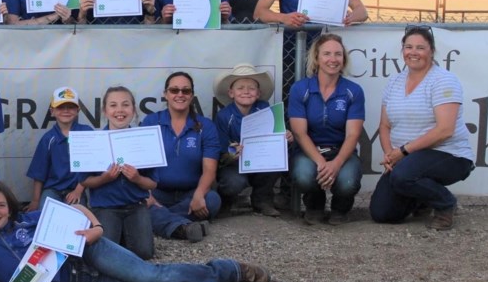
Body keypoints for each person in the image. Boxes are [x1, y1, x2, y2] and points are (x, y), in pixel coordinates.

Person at [0, 181, 289, 282]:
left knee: (153, 278)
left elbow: (74, 209)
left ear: (9, 207)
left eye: (0, 205)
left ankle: (230, 269)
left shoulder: (28, 220)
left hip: (90, 254)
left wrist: (96, 227)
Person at [370, 26, 475, 230]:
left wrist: (403, 151)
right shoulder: (394, 81)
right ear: (402, 51)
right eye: (408, 47)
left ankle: (446, 204)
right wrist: (389, 154)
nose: (413, 52)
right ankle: (421, 200)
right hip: (406, 158)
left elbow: (445, 130)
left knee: (403, 175)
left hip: (448, 154)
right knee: (382, 213)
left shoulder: (443, 80)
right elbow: (384, 125)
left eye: (420, 47)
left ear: (431, 51)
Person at [288, 33, 365, 226]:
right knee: (304, 175)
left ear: (344, 58)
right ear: (317, 58)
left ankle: (341, 208)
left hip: (341, 151)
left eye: (338, 54)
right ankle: (314, 206)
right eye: (327, 54)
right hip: (309, 151)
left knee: (347, 182)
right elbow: (299, 133)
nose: (333, 59)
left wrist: (336, 163)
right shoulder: (300, 89)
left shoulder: (353, 91)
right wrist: (322, 163)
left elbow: (353, 134)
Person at [142, 72, 221, 242]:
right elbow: (140, 165)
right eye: (174, 90)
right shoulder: (151, 122)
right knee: (139, 203)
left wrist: (199, 195)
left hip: (190, 194)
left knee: (212, 199)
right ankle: (183, 227)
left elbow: (209, 169)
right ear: (166, 94)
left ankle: (163, 219)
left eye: (185, 91)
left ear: (192, 95)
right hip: (157, 191)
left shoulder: (205, 125)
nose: (180, 95)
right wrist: (147, 194)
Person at [79, 86, 156, 260]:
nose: (119, 110)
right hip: (106, 207)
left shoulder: (143, 141)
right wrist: (105, 178)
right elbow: (84, 181)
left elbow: (153, 183)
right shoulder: (94, 141)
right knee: (106, 255)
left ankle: (124, 233)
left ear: (133, 110)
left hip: (136, 206)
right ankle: (119, 234)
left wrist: (137, 178)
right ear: (105, 111)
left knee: (144, 253)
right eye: (113, 105)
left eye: (125, 105)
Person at [213, 64, 288, 217]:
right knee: (233, 182)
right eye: (240, 88)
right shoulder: (224, 116)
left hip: (260, 160)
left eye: (251, 88)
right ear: (231, 93)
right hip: (234, 164)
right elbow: (220, 150)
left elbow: (274, 136)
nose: (246, 92)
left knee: (276, 161)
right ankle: (227, 200)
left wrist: (285, 135)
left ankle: (262, 200)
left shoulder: (265, 109)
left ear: (259, 93)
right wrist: (232, 151)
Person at [26, 86, 93, 211]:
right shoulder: (48, 139)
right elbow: (38, 174)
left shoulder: (86, 132)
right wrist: (35, 200)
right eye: (61, 107)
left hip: (77, 189)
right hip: (52, 190)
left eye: (71, 107)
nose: (66, 111)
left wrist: (78, 191)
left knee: (78, 219)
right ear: (52, 111)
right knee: (45, 214)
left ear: (78, 110)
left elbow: (90, 167)